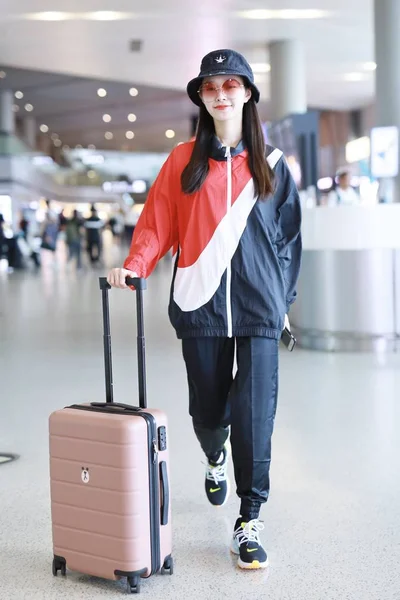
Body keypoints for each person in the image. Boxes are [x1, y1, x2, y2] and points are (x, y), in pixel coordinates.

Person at [107, 49, 302, 570]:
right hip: (200, 303)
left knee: (255, 414)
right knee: (209, 410)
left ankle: (249, 517)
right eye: (210, 87)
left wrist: (284, 301)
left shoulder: (275, 165)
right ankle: (214, 455)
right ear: (201, 97)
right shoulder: (181, 161)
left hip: (260, 309)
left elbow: (288, 241)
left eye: (230, 85)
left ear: (248, 93)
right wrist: (136, 264)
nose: (220, 94)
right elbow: (158, 223)